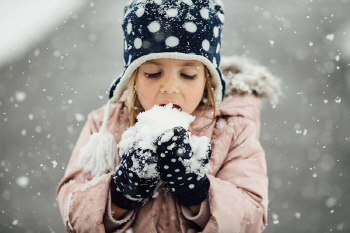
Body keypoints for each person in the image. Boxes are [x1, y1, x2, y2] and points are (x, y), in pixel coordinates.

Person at [56, 0, 281, 232]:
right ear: (133, 77)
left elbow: (251, 219)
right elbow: (73, 210)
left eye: (188, 74)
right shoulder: (104, 126)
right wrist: (121, 195)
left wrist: (196, 193)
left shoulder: (233, 129)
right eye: (153, 73)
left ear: (207, 80)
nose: (170, 87)